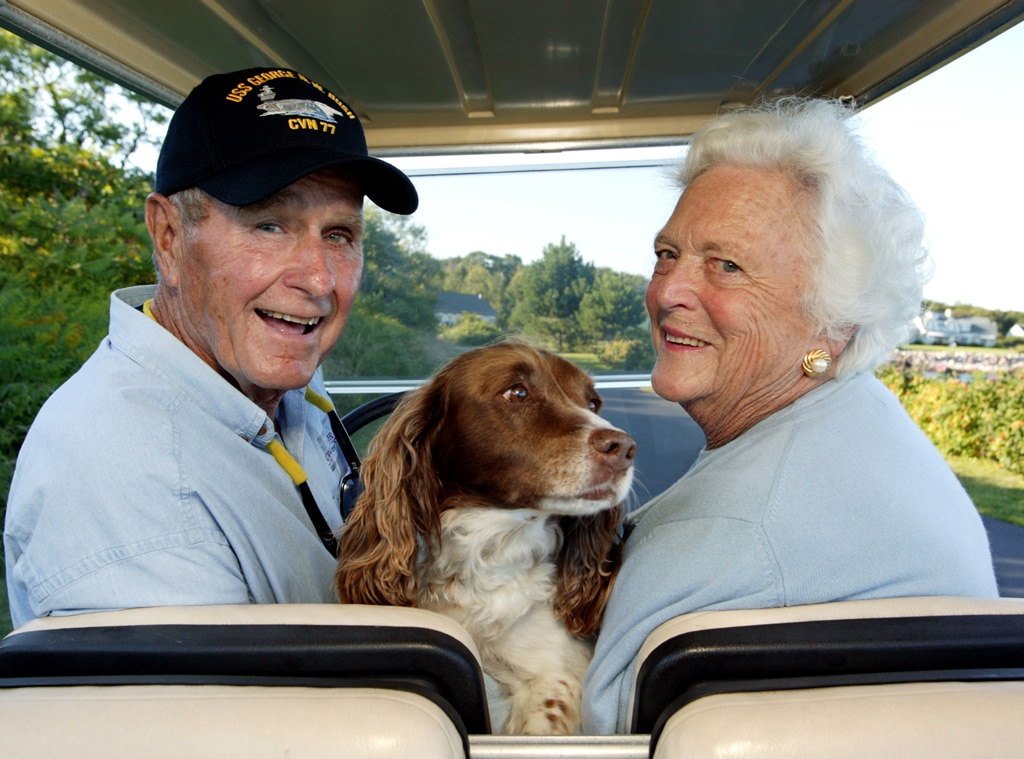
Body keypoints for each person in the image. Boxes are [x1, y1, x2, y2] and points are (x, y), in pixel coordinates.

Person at [582, 97, 999, 733]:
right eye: (668, 253)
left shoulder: (735, 527)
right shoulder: (865, 416)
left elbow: (594, 730)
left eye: (726, 266)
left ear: (832, 324)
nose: (666, 290)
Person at [4, 67, 418, 629]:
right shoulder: (132, 479)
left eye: (339, 235)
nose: (319, 281)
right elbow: (214, 715)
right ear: (169, 236)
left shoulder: (266, 368)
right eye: (270, 225)